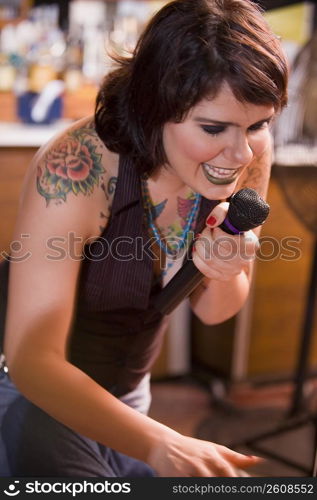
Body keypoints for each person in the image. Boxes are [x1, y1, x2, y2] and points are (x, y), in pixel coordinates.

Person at [0, 0, 288, 477]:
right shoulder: (76, 169)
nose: (239, 152)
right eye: (213, 128)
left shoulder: (247, 150)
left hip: (127, 393)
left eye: (259, 124)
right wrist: (160, 443)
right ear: (155, 108)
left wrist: (226, 266)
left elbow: (216, 310)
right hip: (27, 392)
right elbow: (32, 360)